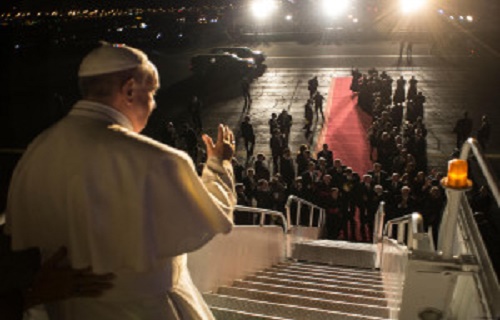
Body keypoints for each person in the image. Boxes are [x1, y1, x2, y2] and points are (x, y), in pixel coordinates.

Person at [5, 42, 237, 320]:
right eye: (150, 94)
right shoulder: (157, 159)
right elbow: (208, 222)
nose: (152, 106)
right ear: (129, 90)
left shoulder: (38, 150)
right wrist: (219, 165)